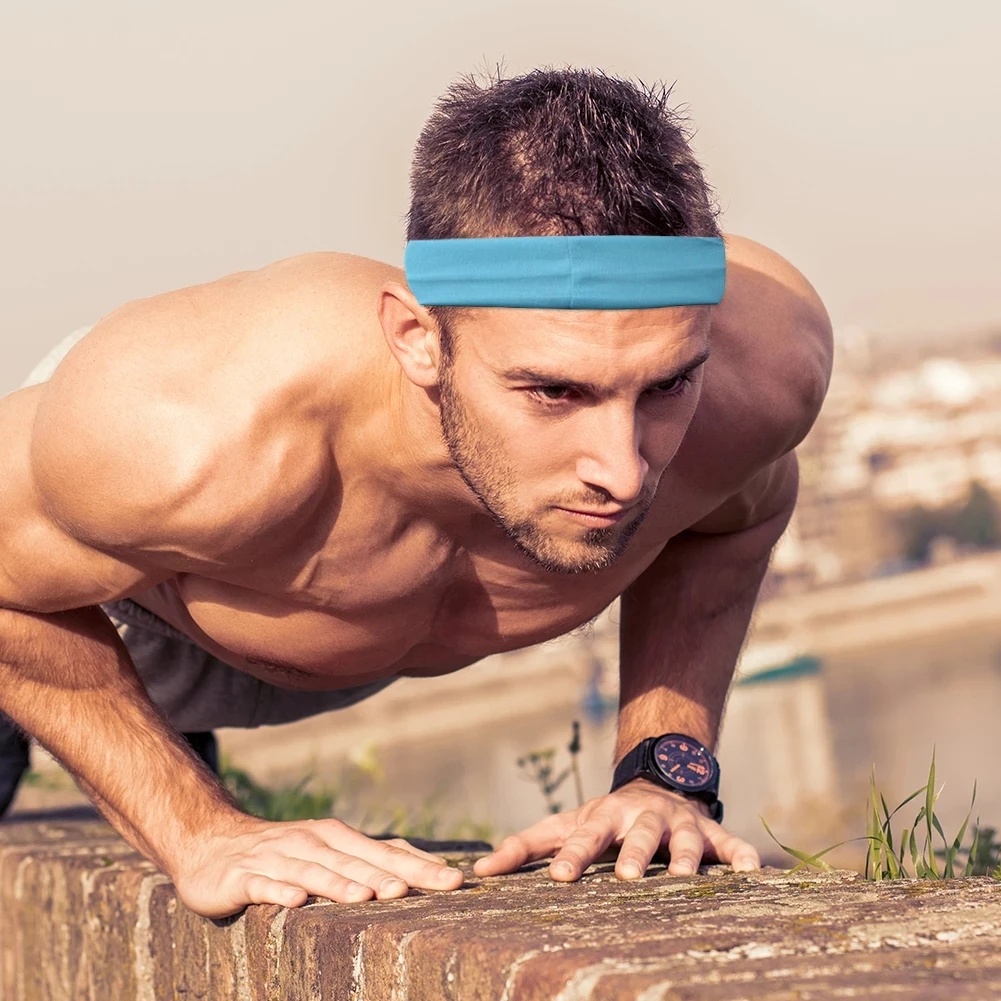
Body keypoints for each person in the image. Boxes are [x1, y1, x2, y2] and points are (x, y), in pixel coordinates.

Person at [0, 68, 832, 919]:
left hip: (277, 602)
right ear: (416, 338)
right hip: (116, 598)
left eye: (664, 386)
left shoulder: (758, 376)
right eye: (553, 392)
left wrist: (661, 773)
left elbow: (737, 516)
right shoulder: (190, 440)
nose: (623, 471)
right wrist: (196, 827)